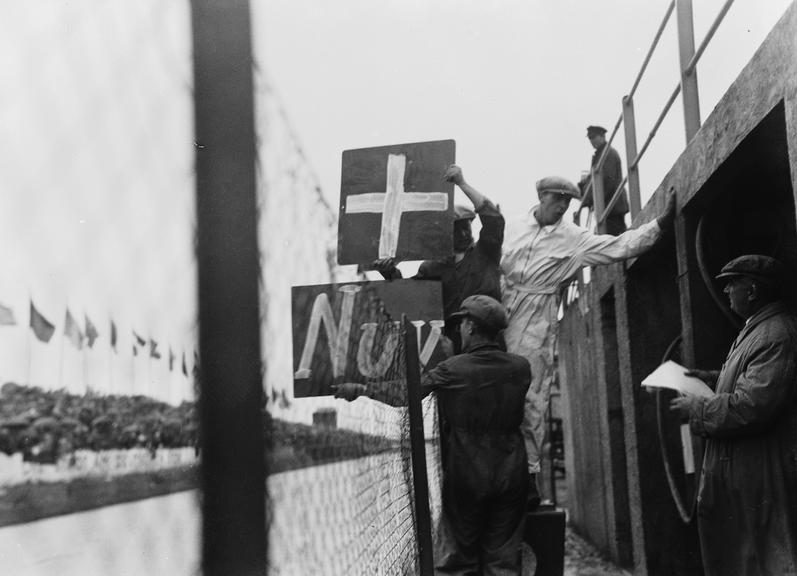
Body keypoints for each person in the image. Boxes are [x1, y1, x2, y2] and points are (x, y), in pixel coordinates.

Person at [501, 176, 676, 506]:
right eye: (558, 199)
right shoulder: (513, 227)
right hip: (500, 312)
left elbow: (616, 247)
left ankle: (530, 477)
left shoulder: (573, 238)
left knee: (531, 398)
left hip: (536, 320)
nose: (564, 206)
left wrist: (658, 225)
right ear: (541, 196)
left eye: (569, 201)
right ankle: (499, 476)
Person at [335, 295, 531, 575]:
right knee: (503, 561)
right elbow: (485, 379)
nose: (459, 329)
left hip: (468, 472)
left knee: (460, 561)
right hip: (513, 471)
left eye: (462, 323)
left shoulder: (453, 370)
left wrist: (362, 389)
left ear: (472, 328)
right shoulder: (521, 367)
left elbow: (407, 392)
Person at [670, 254, 797, 576]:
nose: (726, 292)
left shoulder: (775, 334)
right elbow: (748, 380)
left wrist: (697, 407)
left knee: (765, 559)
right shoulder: (758, 329)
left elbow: (752, 406)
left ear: (752, 290)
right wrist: (710, 378)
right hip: (745, 471)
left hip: (761, 472)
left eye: (731, 285)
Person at [372, 165, 504, 353]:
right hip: (450, 346)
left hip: (488, 343)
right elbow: (412, 298)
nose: (465, 233)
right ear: (443, 234)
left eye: (467, 226)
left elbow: (494, 219)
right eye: (456, 229)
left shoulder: (486, 253)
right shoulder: (431, 267)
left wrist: (462, 183)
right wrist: (389, 272)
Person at [579, 125, 630, 236]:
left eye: (593, 137)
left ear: (602, 136)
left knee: (613, 236)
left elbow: (607, 181)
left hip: (612, 204)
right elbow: (593, 179)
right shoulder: (600, 154)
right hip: (607, 205)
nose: (591, 141)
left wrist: (591, 199)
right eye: (589, 138)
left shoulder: (607, 153)